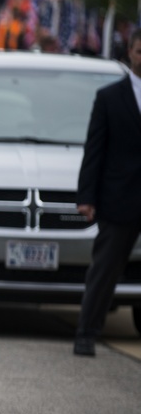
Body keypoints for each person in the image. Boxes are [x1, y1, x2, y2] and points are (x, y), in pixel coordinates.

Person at [73, 28, 141, 356]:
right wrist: (86, 197)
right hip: (120, 200)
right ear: (130, 52)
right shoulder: (110, 97)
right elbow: (94, 151)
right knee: (105, 269)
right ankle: (86, 332)